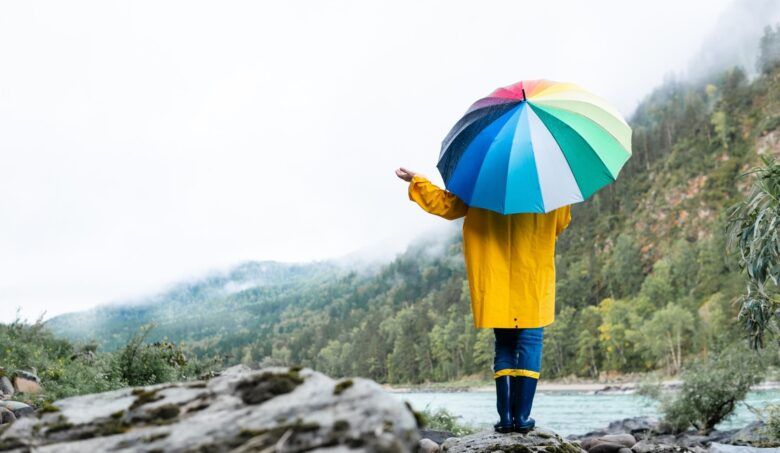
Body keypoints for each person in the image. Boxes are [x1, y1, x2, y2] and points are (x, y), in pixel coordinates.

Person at [395, 166, 571, 434]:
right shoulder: (550, 185)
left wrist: (417, 181)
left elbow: (447, 205)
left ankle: (505, 419)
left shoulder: (483, 179)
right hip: (532, 280)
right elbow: (560, 224)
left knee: (505, 346)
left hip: (496, 280)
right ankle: (522, 419)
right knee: (530, 343)